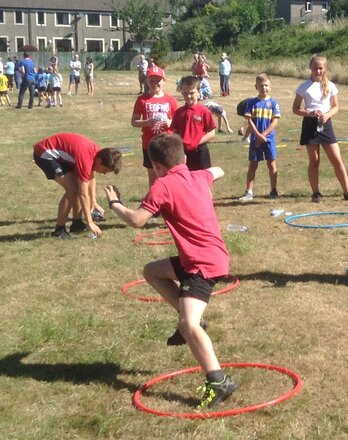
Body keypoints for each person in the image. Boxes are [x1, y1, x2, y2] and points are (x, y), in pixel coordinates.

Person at [103, 133, 238, 409]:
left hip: (202, 264)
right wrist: (210, 173)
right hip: (203, 256)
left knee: (187, 325)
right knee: (152, 271)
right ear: (184, 159)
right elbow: (218, 170)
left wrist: (115, 203)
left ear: (156, 166)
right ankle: (190, 318)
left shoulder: (162, 186)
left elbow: (137, 220)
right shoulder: (198, 177)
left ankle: (218, 380)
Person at [292, 54, 348, 202]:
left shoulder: (331, 86)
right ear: (311, 67)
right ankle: (316, 193)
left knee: (336, 159)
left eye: (320, 68)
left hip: (326, 124)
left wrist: (327, 115)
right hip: (310, 125)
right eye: (315, 68)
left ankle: (347, 192)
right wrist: (310, 113)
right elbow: (295, 109)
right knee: (314, 160)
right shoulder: (304, 87)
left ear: (325, 68)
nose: (318, 71)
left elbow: (336, 106)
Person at [33, 132, 122, 239]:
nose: (103, 173)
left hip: (61, 155)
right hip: (44, 153)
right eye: (104, 170)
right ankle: (59, 230)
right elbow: (83, 194)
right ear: (99, 161)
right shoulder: (85, 157)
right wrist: (90, 222)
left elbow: (91, 177)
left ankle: (77, 224)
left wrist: (93, 202)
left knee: (77, 187)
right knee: (73, 189)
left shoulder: (97, 154)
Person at [131, 65, 178, 187]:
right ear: (146, 81)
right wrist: (147, 122)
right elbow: (134, 122)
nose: (155, 83)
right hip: (149, 143)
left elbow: (177, 121)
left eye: (158, 80)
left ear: (164, 81)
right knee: (153, 176)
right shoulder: (142, 100)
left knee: (169, 174)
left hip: (167, 142)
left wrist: (170, 122)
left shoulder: (170, 100)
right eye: (151, 80)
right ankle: (155, 202)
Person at [239, 74, 281, 202]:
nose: (264, 88)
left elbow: (275, 122)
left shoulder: (273, 103)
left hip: (269, 139)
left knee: (271, 164)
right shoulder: (251, 103)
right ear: (256, 87)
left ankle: (273, 190)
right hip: (255, 140)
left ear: (270, 86)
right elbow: (249, 120)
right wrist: (257, 135)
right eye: (261, 85)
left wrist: (264, 135)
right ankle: (249, 192)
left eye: (266, 85)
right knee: (253, 164)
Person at [170, 76, 217, 171]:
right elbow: (175, 132)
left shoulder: (204, 111)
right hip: (183, 152)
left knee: (202, 181)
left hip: (200, 151)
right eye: (185, 93)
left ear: (199, 92)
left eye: (192, 93)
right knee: (185, 180)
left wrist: (196, 142)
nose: (188, 96)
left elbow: (212, 133)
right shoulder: (179, 112)